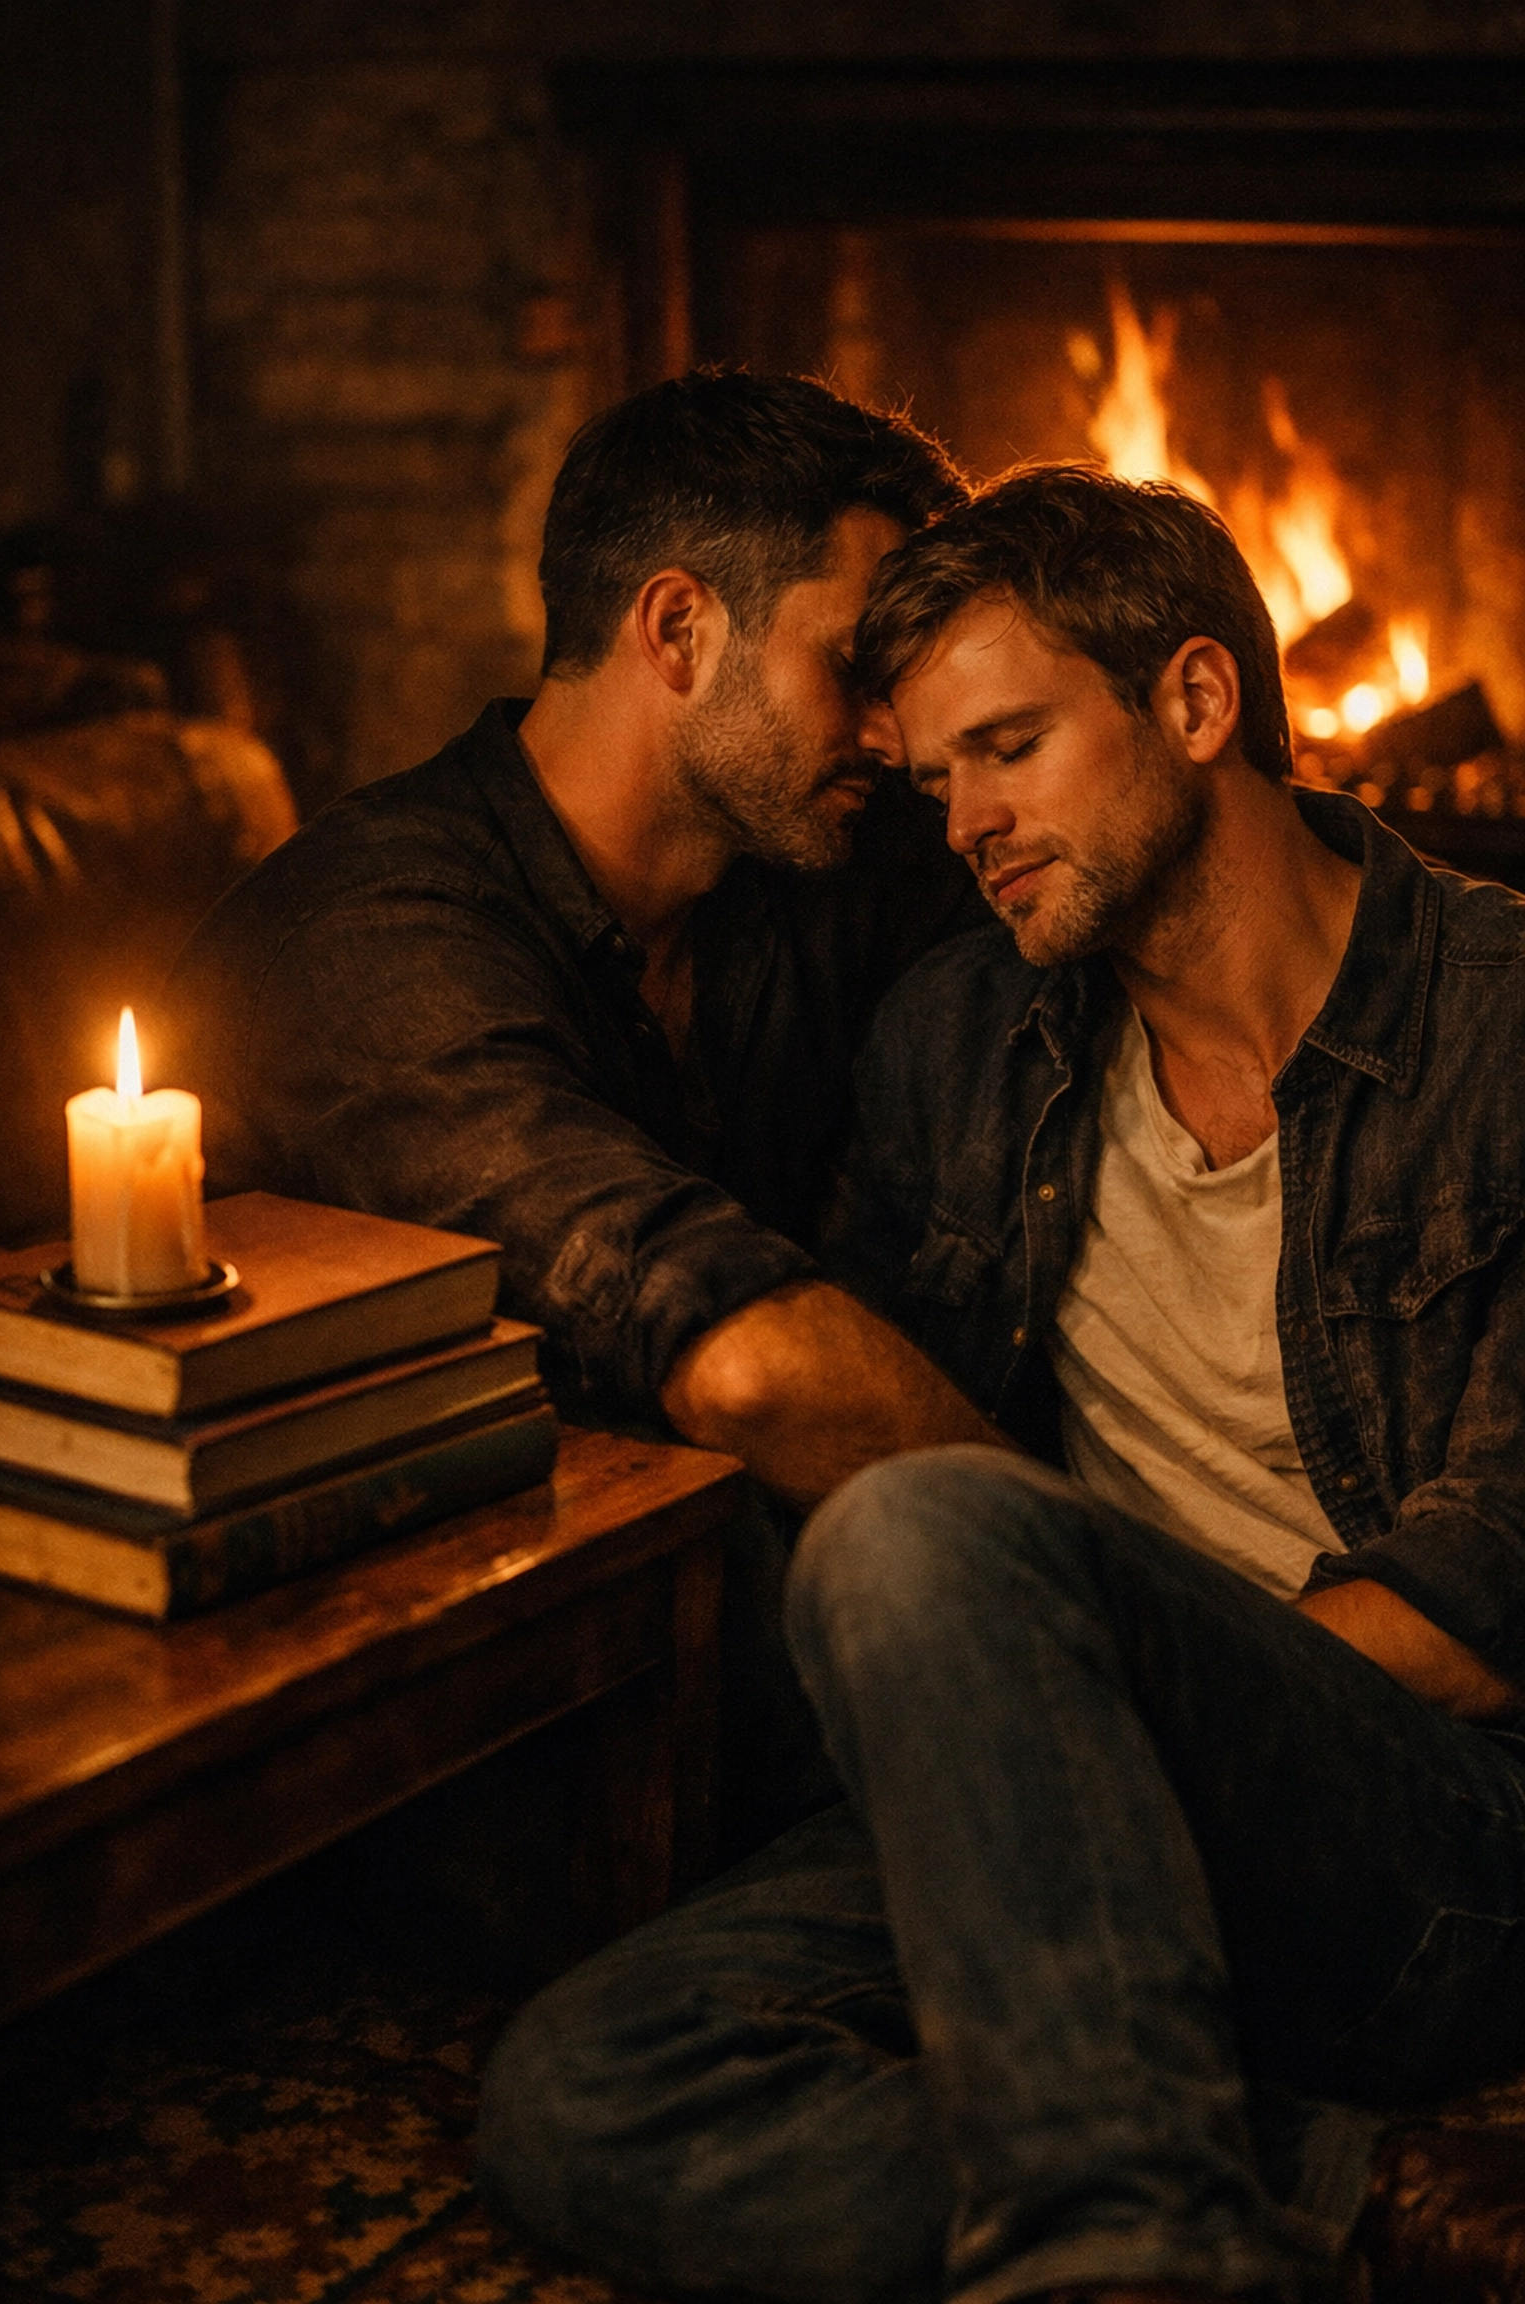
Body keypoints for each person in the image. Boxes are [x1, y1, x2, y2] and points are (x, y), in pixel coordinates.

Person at [478, 466, 1525, 2304]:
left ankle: (1126, 2257)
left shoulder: (1499, 1018)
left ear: (1195, 700)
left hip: (1427, 1835)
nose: (964, 824)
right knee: (582, 2093)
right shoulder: (958, 1041)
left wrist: (1122, 1704)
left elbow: (1498, 1584)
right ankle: (1348, 2199)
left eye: (1010, 748)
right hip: (1058, 1793)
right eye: (936, 778)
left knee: (926, 1520)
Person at [167, 371, 997, 1494]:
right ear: (679, 630)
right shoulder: (376, 944)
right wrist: (1109, 1581)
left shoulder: (806, 847)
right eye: (853, 672)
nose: (895, 739)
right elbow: (745, 1370)